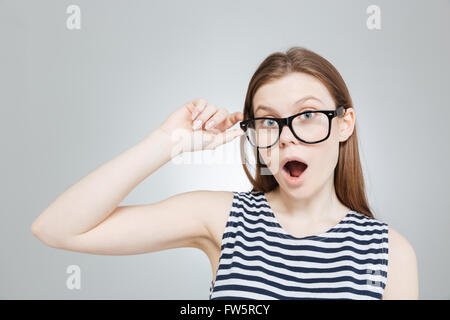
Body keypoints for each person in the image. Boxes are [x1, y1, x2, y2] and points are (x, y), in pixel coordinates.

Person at [31, 46, 418, 300]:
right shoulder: (225, 220)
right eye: (268, 122)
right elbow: (58, 228)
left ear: (344, 124)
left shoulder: (389, 253)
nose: (286, 138)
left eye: (308, 115)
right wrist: (166, 142)